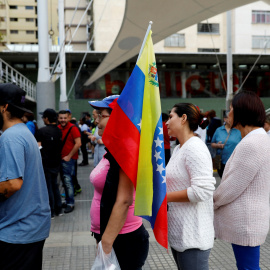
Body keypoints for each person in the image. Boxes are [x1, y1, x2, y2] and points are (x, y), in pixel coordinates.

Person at [89, 96, 149, 270]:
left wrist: (106, 245)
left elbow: (124, 201)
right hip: (110, 235)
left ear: (118, 118)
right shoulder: (113, 149)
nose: (96, 120)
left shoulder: (125, 151)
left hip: (123, 239)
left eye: (101, 115)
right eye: (96, 115)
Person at [214, 91, 270, 270]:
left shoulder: (252, 144)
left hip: (246, 222)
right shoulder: (259, 138)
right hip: (250, 220)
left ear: (241, 112)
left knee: (248, 268)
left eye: (230, 110)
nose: (227, 114)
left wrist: (211, 202)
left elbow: (231, 187)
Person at [0, 83, 51, 270]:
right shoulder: (24, 132)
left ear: (4, 107)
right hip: (31, 226)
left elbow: (12, 184)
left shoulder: (10, 137)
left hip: (17, 230)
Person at [165, 103, 216, 270]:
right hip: (181, 234)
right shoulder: (179, 148)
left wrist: (165, 197)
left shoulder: (195, 147)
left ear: (183, 118)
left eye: (171, 117)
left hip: (193, 236)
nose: (166, 122)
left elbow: (203, 190)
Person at [36, 108, 63, 218]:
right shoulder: (59, 130)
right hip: (56, 161)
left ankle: (51, 210)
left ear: (46, 118)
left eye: (43, 117)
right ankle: (59, 208)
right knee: (55, 185)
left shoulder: (41, 131)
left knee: (48, 187)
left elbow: (38, 147)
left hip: (45, 162)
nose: (42, 119)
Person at [58, 110, 81, 213]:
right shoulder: (58, 128)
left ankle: (70, 203)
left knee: (68, 182)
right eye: (61, 118)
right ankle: (68, 201)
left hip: (69, 160)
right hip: (61, 159)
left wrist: (69, 156)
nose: (63, 120)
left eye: (64, 118)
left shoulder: (73, 128)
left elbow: (78, 143)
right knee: (65, 182)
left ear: (68, 118)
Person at [211, 111, 242, 178]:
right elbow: (212, 144)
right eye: (231, 118)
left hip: (235, 162)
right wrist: (217, 145)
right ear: (225, 119)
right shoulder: (218, 130)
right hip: (221, 161)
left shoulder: (238, 131)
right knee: (223, 180)